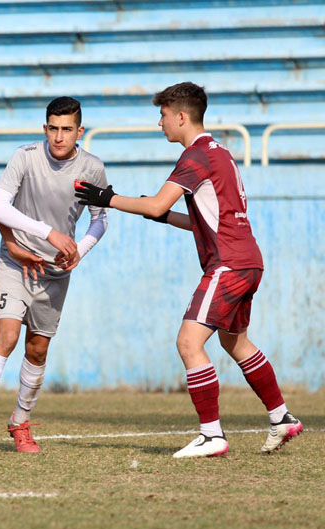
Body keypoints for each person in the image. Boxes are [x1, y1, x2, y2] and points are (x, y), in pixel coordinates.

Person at [74, 81, 303, 458]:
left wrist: (106, 198)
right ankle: (281, 417)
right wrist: (162, 216)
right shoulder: (221, 153)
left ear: (182, 117)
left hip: (228, 263)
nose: (160, 122)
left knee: (188, 342)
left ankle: (212, 435)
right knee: (235, 342)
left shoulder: (195, 156)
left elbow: (153, 205)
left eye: (163, 115)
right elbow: (200, 218)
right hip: (248, 261)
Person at [0, 97, 108, 453]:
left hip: (55, 273)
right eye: (53, 128)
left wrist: (79, 251)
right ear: (45, 129)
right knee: (6, 336)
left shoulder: (93, 168)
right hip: (16, 262)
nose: (58, 136)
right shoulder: (25, 157)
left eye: (66, 129)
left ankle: (19, 422)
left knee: (37, 350)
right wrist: (47, 233)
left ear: (79, 131)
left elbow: (100, 219)